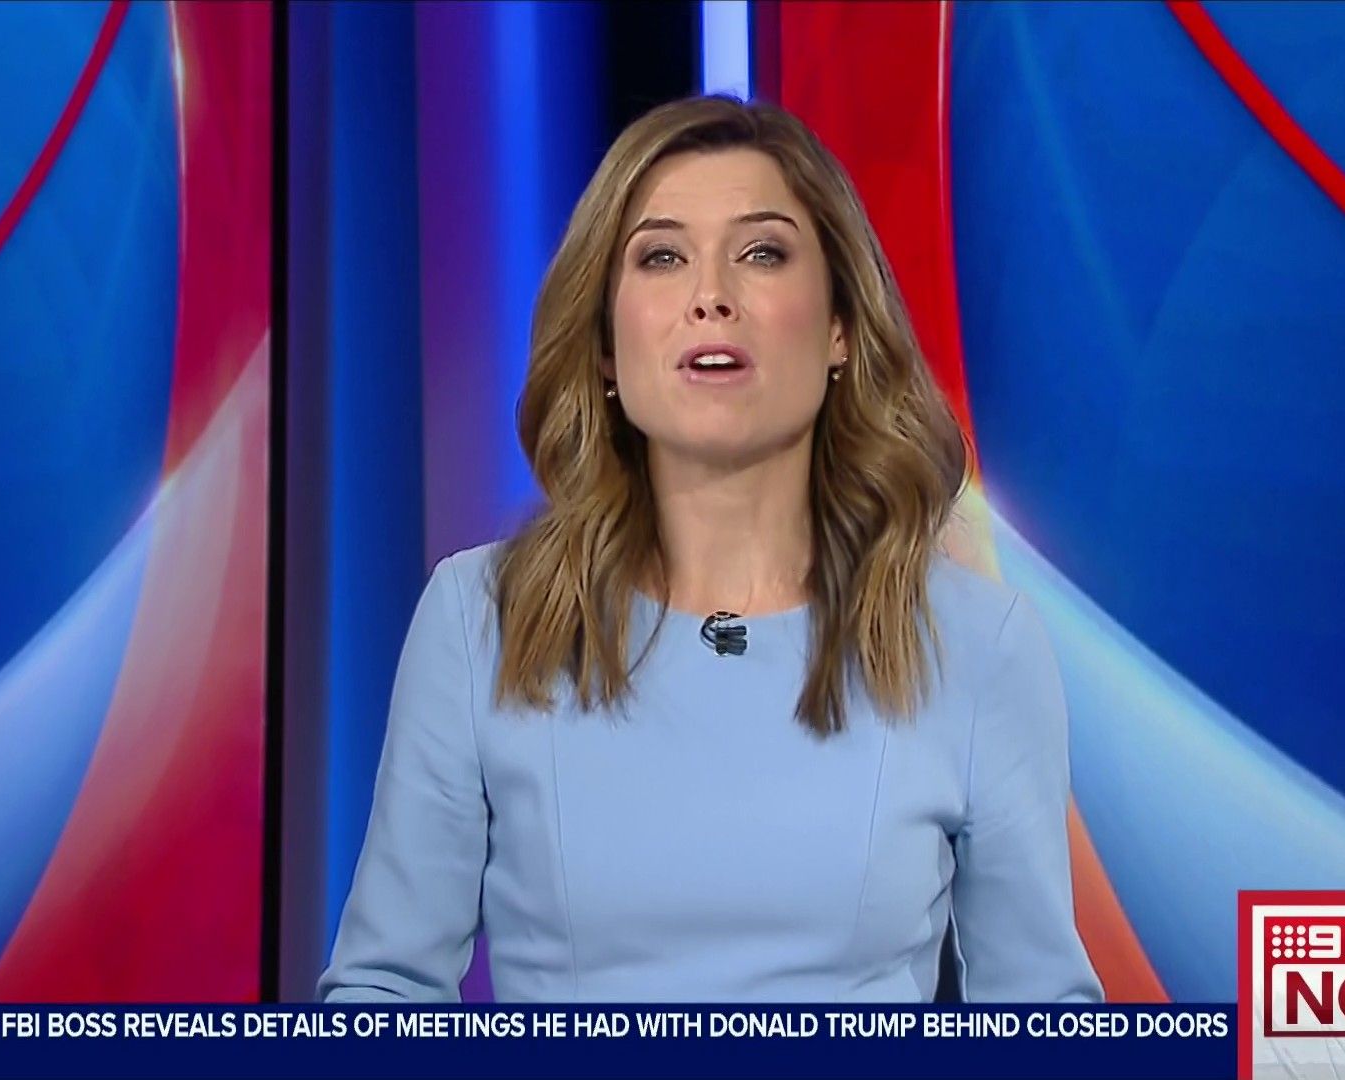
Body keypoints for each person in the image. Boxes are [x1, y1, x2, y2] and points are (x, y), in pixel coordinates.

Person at [319, 95, 1102, 1003]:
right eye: (661, 257)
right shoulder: (479, 621)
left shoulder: (977, 644)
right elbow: (383, 997)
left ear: (841, 328)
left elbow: (1042, 1024)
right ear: (605, 346)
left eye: (761, 253)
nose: (711, 296)